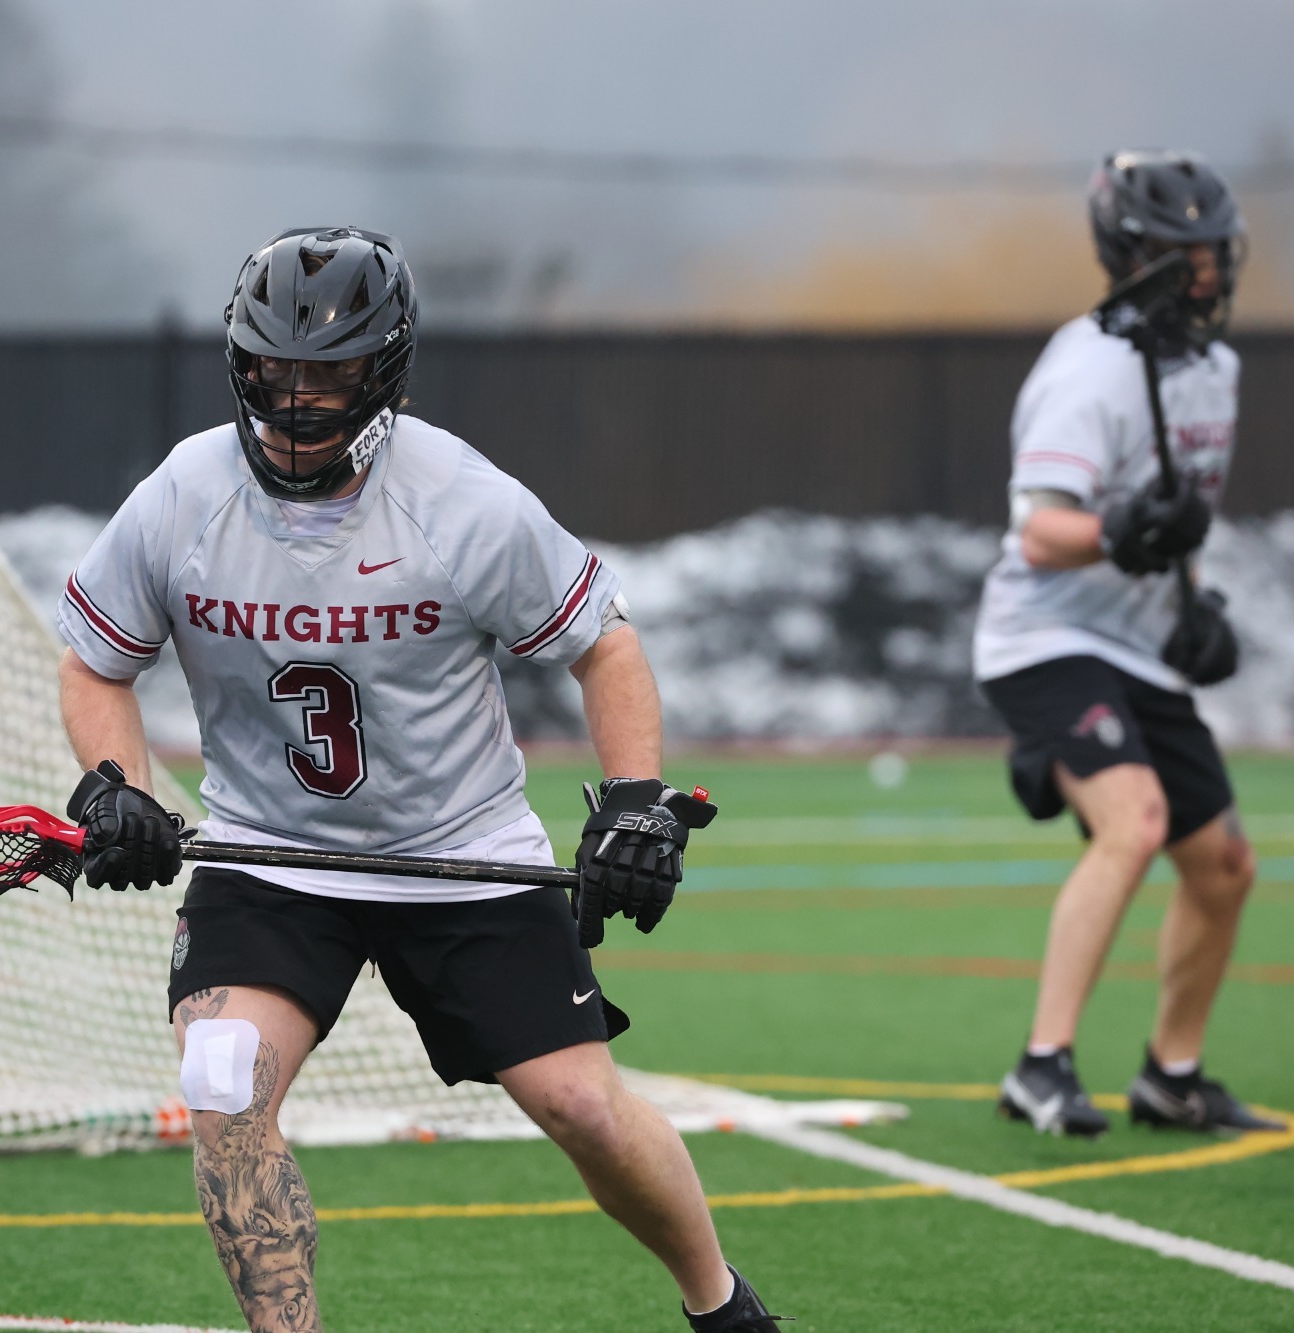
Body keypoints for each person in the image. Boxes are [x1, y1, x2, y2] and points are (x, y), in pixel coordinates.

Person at [57, 227, 781, 1331]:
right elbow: (96, 661)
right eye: (273, 366)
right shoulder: (182, 495)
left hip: (462, 851)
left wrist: (638, 797)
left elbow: (603, 644)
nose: (295, 397)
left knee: (580, 1104)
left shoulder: (459, 499)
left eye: (328, 370)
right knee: (220, 1083)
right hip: (272, 856)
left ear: (381, 368)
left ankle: (721, 1304)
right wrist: (117, 784)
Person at [972, 150, 1281, 1139]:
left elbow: (1174, 514)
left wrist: (1190, 602)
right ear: (1130, 253)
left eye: (1208, 252)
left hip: (1133, 647)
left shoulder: (1214, 370)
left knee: (1224, 865)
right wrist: (1119, 534)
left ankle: (1171, 1075)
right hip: (1042, 635)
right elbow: (1039, 532)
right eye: (1177, 252)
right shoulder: (1085, 369)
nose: (1200, 271)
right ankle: (1039, 1064)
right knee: (1135, 819)